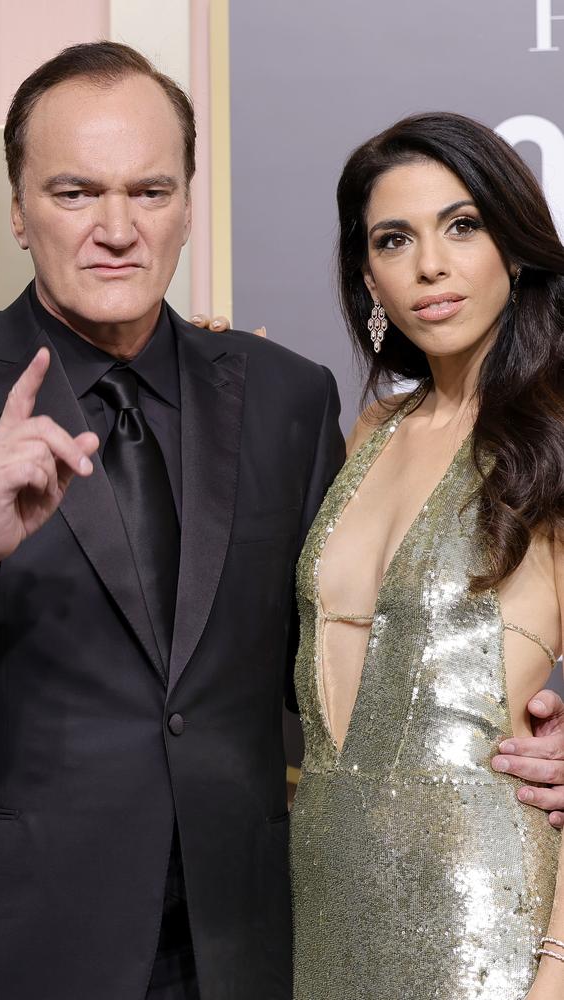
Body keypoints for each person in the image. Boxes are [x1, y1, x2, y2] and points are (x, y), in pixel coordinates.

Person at [0, 41, 347, 1000]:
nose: (118, 228)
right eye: (75, 193)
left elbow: (333, 663)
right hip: (5, 943)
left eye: (150, 192)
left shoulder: (287, 397)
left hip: (238, 946)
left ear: (190, 206)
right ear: (18, 212)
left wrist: (508, 725)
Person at [289, 112, 564, 1000]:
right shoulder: (372, 431)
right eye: (394, 240)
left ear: (514, 250)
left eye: (462, 226)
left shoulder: (555, 440)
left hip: (490, 926)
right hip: (327, 898)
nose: (429, 267)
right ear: (367, 273)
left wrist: (557, 970)